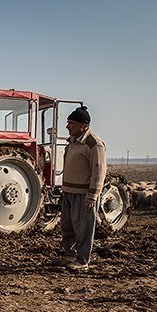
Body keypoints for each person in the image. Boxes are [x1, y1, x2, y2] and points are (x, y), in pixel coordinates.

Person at [59, 106, 106, 271]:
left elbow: (99, 171)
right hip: (69, 192)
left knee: (83, 228)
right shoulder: (72, 142)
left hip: (83, 194)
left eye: (71, 123)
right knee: (67, 226)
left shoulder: (94, 144)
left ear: (83, 125)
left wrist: (92, 195)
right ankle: (70, 255)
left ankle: (82, 260)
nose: (67, 126)